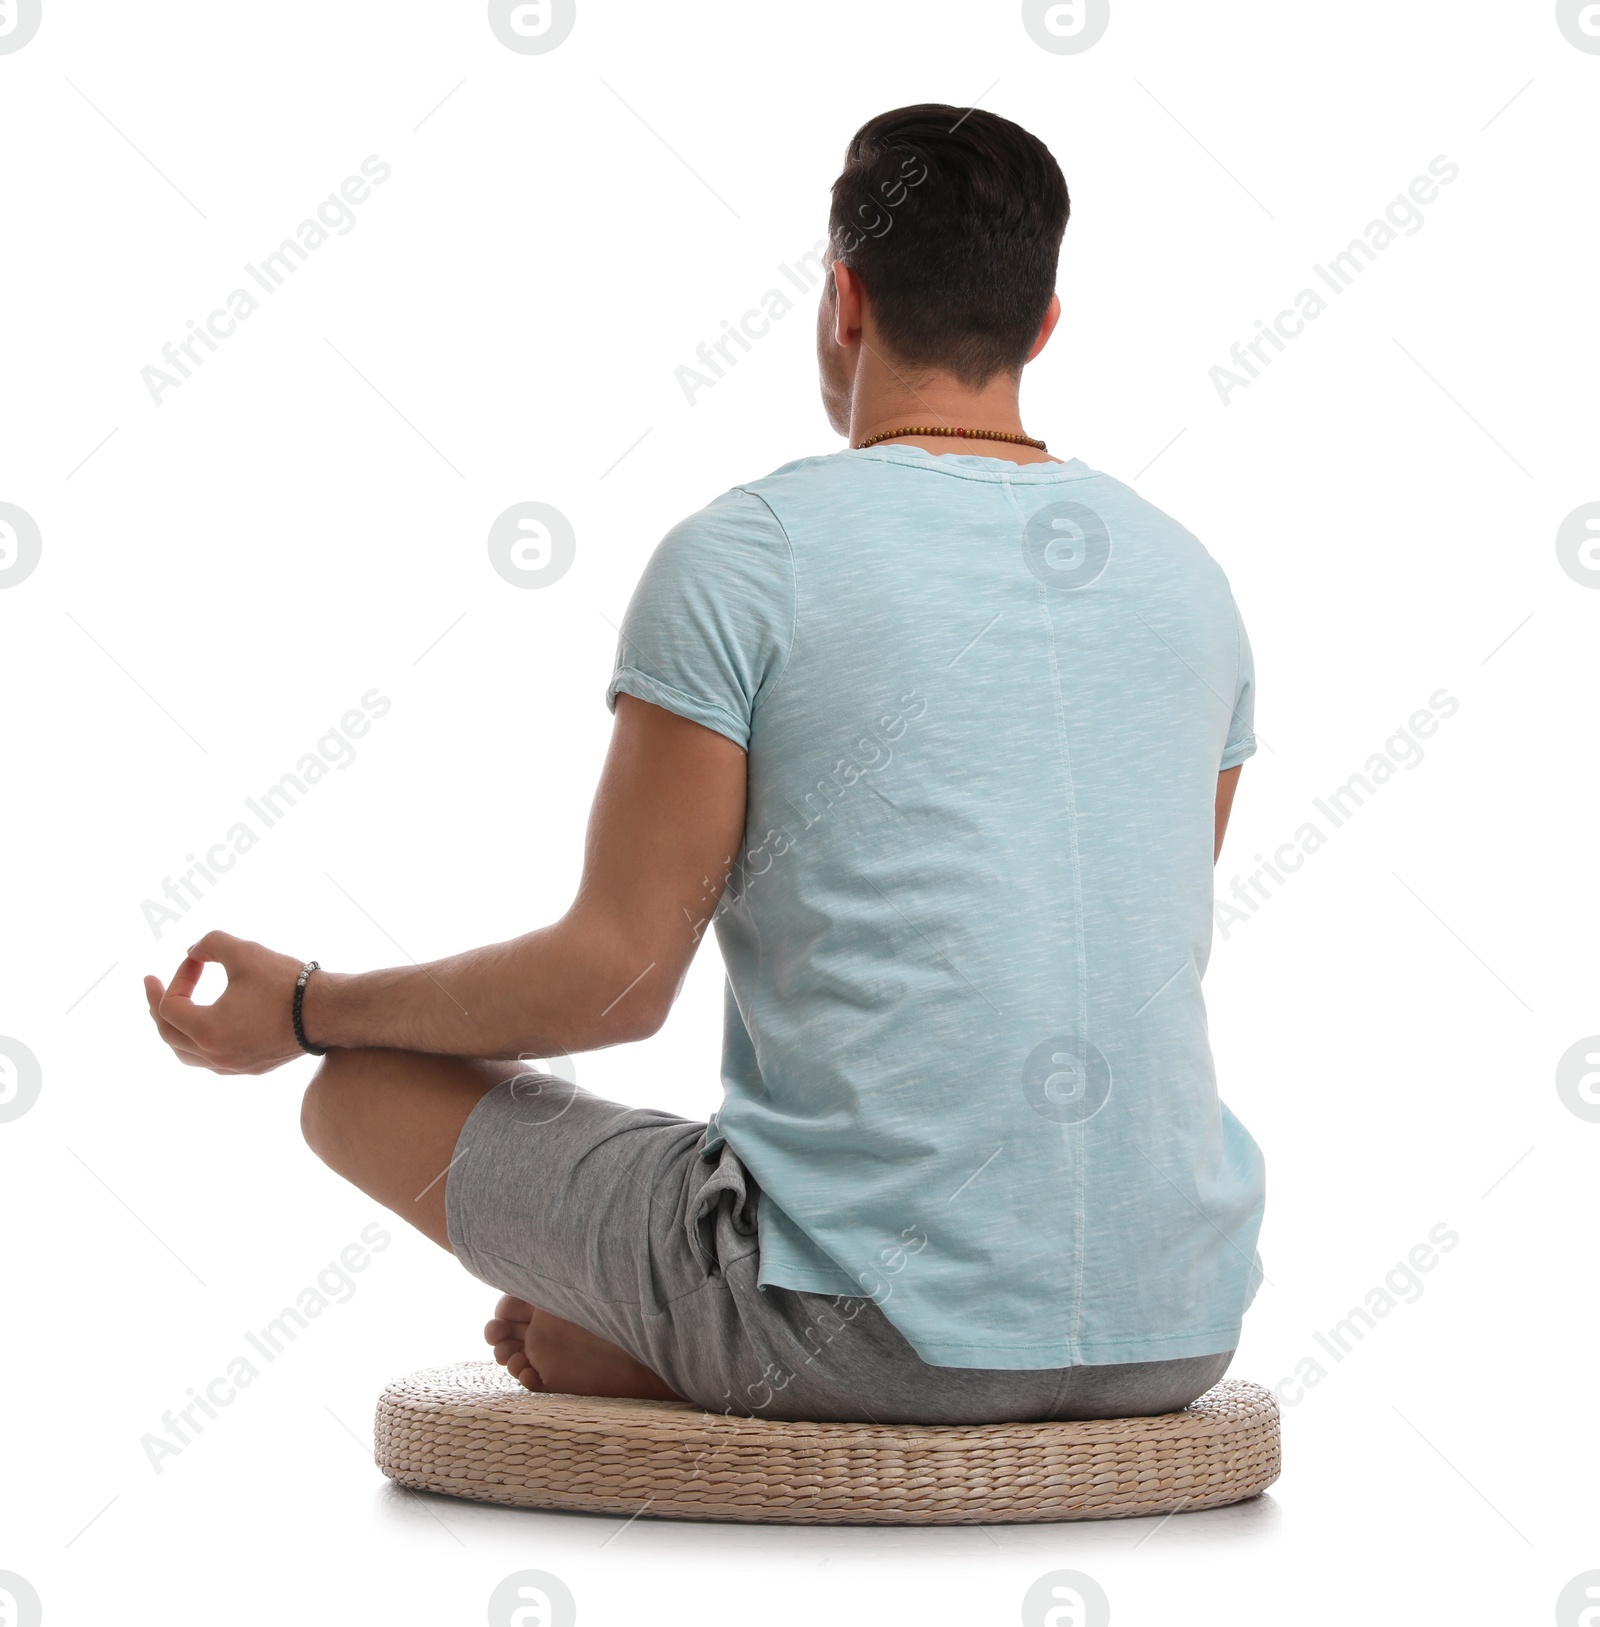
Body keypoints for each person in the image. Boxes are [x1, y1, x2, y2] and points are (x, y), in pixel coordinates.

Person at [145, 104, 1265, 1426]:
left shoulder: (749, 554)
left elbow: (615, 981)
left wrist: (306, 1009)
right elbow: (1111, 932)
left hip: (860, 1331)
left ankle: (692, 1337)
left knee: (359, 1091)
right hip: (1178, 1325)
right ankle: (677, 1327)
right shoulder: (1189, 582)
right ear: (1042, 327)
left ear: (843, 301)